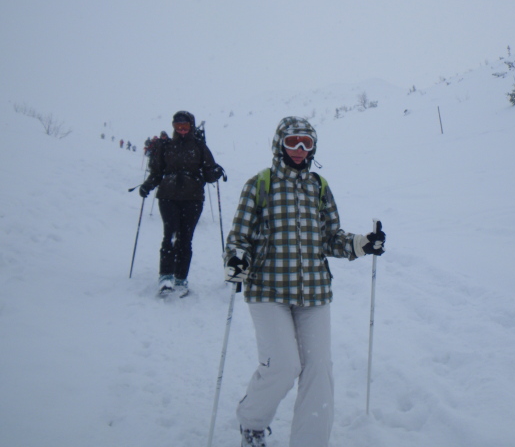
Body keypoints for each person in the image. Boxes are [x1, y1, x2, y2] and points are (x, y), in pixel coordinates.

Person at [223, 116, 385, 447]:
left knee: (319, 370)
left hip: (314, 292)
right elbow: (239, 237)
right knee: (283, 366)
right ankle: (252, 422)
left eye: (306, 143)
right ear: (279, 144)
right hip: (267, 290)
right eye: (292, 142)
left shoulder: (319, 187)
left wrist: (361, 243)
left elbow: (330, 238)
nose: (299, 149)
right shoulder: (259, 185)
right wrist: (237, 259)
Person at [139, 111, 225, 296]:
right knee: (169, 235)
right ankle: (165, 276)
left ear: (191, 126)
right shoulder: (166, 146)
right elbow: (157, 172)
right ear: (173, 127)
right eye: (178, 126)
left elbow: (208, 173)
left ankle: (180, 278)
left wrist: (216, 172)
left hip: (192, 198)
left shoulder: (200, 147)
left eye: (185, 126)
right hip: (168, 196)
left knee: (185, 239)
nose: (182, 130)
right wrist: (147, 185)